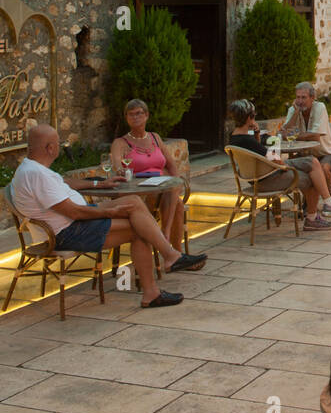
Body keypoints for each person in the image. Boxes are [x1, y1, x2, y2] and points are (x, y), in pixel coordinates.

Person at [11, 124, 206, 307]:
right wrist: (107, 212)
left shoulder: (32, 168)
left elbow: (64, 183)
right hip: (67, 233)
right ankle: (156, 285)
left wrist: (99, 184)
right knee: (139, 229)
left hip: (73, 224)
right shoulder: (36, 175)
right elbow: (74, 212)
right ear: (51, 148)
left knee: (133, 202)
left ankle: (170, 258)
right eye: (59, 143)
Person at [228, 100, 331, 229]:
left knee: (313, 162)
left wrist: (257, 133)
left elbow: (258, 151)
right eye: (253, 116)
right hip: (268, 178)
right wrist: (284, 167)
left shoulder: (235, 137)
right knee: (314, 177)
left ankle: (328, 203)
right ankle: (313, 218)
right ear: (249, 118)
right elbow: (275, 158)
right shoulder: (246, 140)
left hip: (260, 175)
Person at [110, 99, 187, 251]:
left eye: (139, 113)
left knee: (173, 191)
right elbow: (118, 165)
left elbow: (171, 165)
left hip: (162, 188)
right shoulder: (120, 143)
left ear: (146, 115)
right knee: (177, 204)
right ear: (126, 118)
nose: (135, 117)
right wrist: (120, 169)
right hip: (140, 191)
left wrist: (176, 182)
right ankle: (173, 248)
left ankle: (169, 240)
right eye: (130, 114)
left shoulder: (155, 138)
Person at [281, 83, 331, 201]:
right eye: (298, 97)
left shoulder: (320, 107)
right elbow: (283, 133)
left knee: (323, 168)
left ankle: (329, 199)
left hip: (326, 153)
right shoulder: (293, 109)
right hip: (305, 154)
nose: (300, 101)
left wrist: (293, 136)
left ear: (312, 97)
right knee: (298, 172)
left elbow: (315, 137)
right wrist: (295, 114)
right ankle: (309, 202)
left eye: (303, 97)